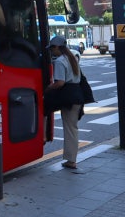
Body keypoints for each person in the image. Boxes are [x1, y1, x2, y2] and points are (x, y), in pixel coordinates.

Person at [45, 35, 82, 169]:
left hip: (68, 97)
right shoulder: (72, 58)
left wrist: (48, 88)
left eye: (52, 49)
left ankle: (71, 160)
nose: (51, 51)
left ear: (57, 47)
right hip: (77, 95)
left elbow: (60, 83)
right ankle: (71, 158)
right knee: (72, 127)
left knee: (70, 129)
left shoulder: (60, 61)